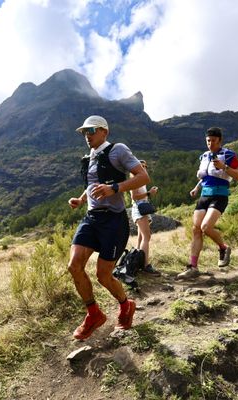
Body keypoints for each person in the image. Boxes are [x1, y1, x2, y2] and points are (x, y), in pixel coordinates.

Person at [68, 115, 150, 340]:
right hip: (92, 218)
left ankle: (126, 306)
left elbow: (143, 177)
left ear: (105, 131)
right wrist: (81, 199)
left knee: (104, 276)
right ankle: (93, 314)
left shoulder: (118, 150)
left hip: (114, 221)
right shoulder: (89, 157)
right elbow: (93, 185)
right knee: (74, 266)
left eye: (92, 130)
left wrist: (115, 188)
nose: (88, 135)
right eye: (84, 132)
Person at [177, 127, 238, 280]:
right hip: (204, 195)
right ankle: (193, 267)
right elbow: (205, 176)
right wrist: (196, 188)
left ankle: (223, 247)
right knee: (196, 229)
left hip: (220, 195)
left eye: (213, 141)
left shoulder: (229, 155)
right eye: (208, 141)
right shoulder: (205, 156)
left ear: (220, 140)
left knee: (206, 227)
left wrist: (224, 167)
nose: (210, 143)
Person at [130, 160, 161, 276]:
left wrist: (149, 193)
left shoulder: (141, 182)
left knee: (141, 237)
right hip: (139, 209)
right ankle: (145, 265)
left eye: (145, 167)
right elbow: (134, 197)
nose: (143, 168)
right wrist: (148, 193)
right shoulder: (134, 181)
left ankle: (136, 263)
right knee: (147, 237)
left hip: (142, 209)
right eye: (141, 166)